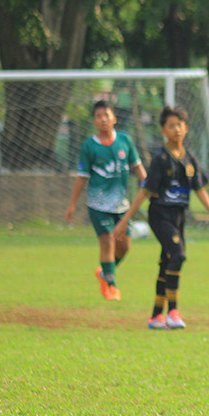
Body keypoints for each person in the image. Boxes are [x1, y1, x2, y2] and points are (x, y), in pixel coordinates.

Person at [113, 105, 209, 329]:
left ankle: (155, 316)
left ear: (186, 128)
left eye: (179, 125)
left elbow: (199, 187)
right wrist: (125, 220)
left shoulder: (189, 158)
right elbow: (145, 191)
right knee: (178, 255)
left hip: (179, 216)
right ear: (163, 130)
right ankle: (173, 311)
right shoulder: (160, 159)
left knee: (167, 262)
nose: (176, 129)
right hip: (160, 215)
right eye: (171, 126)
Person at [66, 100, 146, 301]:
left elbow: (138, 169)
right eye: (99, 116)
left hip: (122, 206)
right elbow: (82, 176)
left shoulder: (125, 141)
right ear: (94, 121)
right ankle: (111, 287)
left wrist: (151, 187)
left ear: (114, 118)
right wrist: (72, 204)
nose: (103, 119)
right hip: (98, 205)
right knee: (108, 242)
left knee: (125, 246)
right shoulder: (89, 146)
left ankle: (104, 273)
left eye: (106, 115)